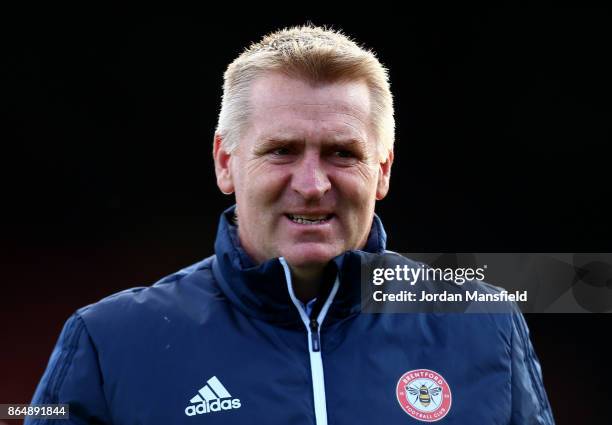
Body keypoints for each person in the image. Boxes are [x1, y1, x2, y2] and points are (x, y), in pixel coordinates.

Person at [27, 25, 555, 424]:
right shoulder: (108, 341)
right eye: (281, 150)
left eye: (341, 153)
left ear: (383, 170)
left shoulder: (484, 324)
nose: (312, 183)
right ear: (225, 162)